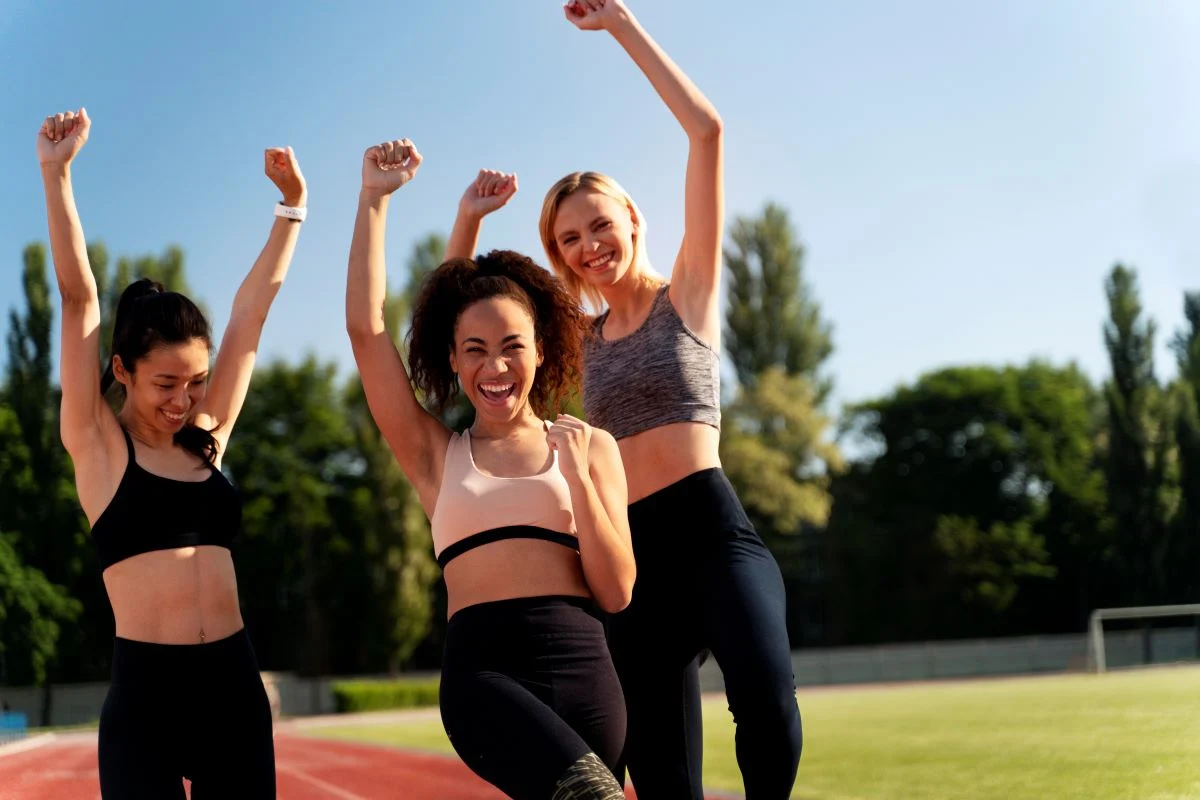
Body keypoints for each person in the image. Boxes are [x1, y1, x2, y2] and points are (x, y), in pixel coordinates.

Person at [449, 2, 804, 796]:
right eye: (568, 240)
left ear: (633, 220)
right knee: (662, 772)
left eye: (599, 225)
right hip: (627, 554)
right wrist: (467, 220)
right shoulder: (571, 339)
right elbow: (462, 310)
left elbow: (708, 132)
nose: (588, 247)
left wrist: (620, 24)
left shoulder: (691, 295)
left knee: (767, 697)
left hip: (711, 530)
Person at [345, 138, 636, 799]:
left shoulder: (591, 446)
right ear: (453, 360)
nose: (494, 366)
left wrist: (579, 483)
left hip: (588, 674)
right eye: (474, 350)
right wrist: (372, 201)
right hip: (485, 676)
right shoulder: (435, 454)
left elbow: (616, 593)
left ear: (542, 350)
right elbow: (367, 332)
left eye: (511, 347)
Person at [39, 108, 306, 798]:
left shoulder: (209, 434)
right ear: (122, 370)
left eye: (194, 380)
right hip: (145, 700)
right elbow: (77, 300)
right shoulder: (97, 444)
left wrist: (291, 209)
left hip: (232, 689)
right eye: (166, 383)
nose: (184, 399)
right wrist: (57, 174)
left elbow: (248, 319)